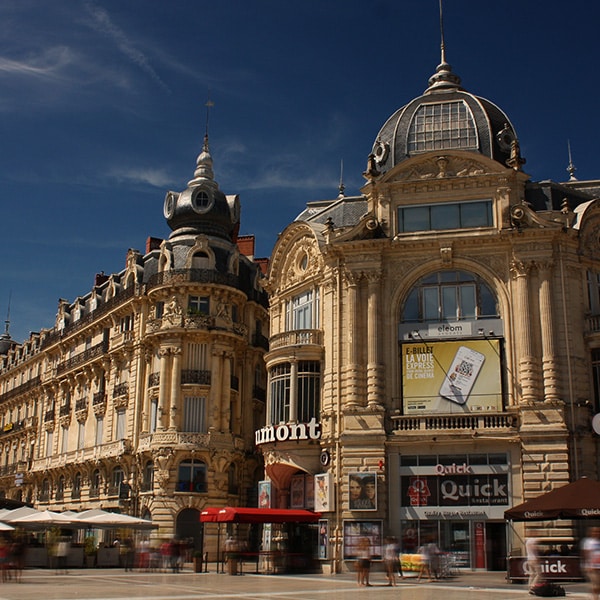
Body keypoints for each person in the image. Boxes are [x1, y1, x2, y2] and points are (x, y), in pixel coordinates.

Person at [582, 526, 600, 600]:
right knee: (595, 585)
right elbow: (586, 554)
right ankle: (595, 598)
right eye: (595, 532)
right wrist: (588, 565)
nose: (596, 533)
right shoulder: (588, 542)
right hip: (593, 567)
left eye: (598, 532)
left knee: (598, 586)